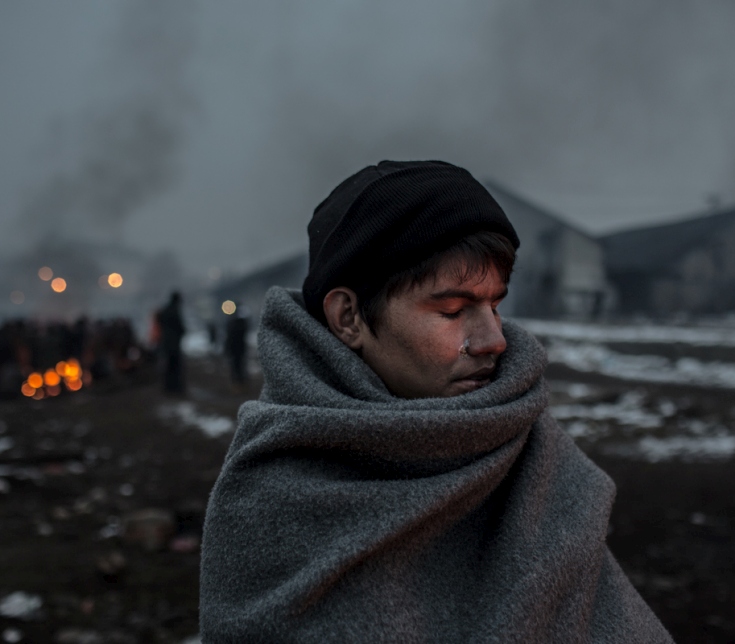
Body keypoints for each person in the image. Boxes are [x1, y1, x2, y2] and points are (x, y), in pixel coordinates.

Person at [200, 161, 673, 642]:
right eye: (452, 310)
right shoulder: (276, 490)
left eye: (495, 305)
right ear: (349, 318)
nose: (494, 340)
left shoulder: (535, 458)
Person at [156, 291, 186, 394]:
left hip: (166, 343)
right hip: (174, 344)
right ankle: (175, 388)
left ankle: (168, 387)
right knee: (175, 367)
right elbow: (180, 327)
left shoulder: (165, 310)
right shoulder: (174, 311)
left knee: (168, 366)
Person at [223, 304, 249, 384]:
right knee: (239, 365)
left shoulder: (233, 322)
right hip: (238, 347)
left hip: (235, 347)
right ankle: (240, 382)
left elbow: (230, 336)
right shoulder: (240, 321)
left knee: (237, 366)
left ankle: (238, 382)